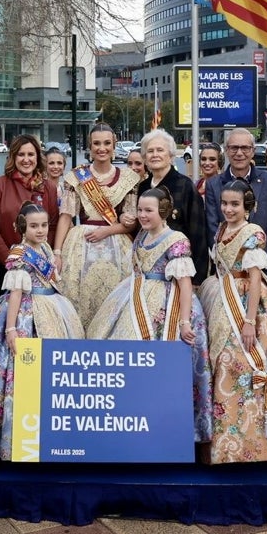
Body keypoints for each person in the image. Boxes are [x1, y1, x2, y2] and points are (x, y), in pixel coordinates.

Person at [88, 188, 213, 444]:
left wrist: (185, 320)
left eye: (149, 211)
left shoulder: (176, 239)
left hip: (168, 305)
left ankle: (165, 429)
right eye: (140, 210)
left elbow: (185, 283)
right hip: (133, 298)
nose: (143, 216)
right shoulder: (142, 235)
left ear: (163, 211)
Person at [197, 180, 267, 463]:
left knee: (243, 364)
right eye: (225, 204)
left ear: (248, 207)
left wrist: (250, 321)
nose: (228, 209)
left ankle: (259, 444)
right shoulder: (221, 229)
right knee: (224, 366)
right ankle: (229, 444)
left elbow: (254, 279)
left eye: (235, 205)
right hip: (222, 300)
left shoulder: (253, 234)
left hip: (249, 305)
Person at [0, 203, 84, 460]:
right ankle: (16, 439)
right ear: (23, 227)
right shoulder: (19, 254)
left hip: (51, 308)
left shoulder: (45, 248)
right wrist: (11, 328)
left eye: (44, 225)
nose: (40, 230)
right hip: (25, 315)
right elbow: (15, 293)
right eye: (34, 226)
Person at [53, 124, 140, 326]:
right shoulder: (76, 176)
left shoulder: (129, 178)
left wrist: (107, 231)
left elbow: (131, 222)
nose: (102, 148)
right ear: (90, 147)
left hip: (117, 243)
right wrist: (57, 253)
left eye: (107, 143)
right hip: (80, 244)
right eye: (97, 143)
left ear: (114, 145)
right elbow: (66, 217)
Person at [0, 135, 60, 301]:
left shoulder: (49, 188)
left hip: (38, 267)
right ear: (13, 157)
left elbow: (52, 226)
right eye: (20, 154)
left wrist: (42, 257)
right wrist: (11, 259)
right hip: (2, 264)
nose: (26, 160)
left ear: (38, 157)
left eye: (30, 154)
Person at [205, 128, 267, 284]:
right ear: (227, 151)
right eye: (234, 148)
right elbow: (212, 228)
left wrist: (254, 258)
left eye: (245, 148)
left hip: (264, 270)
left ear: (253, 151)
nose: (239, 153)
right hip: (228, 273)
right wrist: (236, 260)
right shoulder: (213, 184)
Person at [133, 129, 209, 286]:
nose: (155, 155)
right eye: (150, 151)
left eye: (160, 150)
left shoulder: (185, 186)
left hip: (179, 272)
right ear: (145, 158)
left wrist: (197, 280)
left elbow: (198, 234)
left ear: (171, 156)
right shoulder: (143, 188)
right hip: (147, 272)